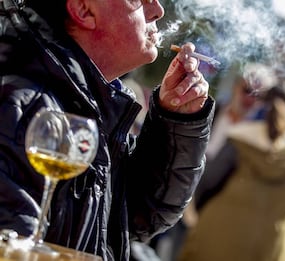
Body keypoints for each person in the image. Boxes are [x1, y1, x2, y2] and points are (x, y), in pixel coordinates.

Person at [0, 0, 215, 261]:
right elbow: (15, 250)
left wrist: (174, 119)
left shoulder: (95, 102)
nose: (157, 9)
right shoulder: (21, 106)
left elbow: (137, 219)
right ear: (83, 9)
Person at [178, 83, 285, 261]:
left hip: (219, 236)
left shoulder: (240, 138)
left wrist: (195, 216)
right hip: (269, 246)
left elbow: (209, 182)